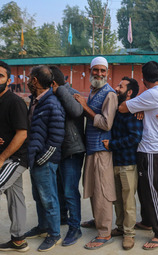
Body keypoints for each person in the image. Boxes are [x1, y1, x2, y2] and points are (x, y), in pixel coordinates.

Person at [119, 61, 158, 250]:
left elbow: (123, 107)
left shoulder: (152, 94)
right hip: (152, 148)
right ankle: (148, 221)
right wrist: (140, 108)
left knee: (151, 192)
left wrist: (136, 106)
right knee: (145, 191)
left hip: (150, 150)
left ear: (143, 78)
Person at [74, 56, 118, 249]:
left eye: (102, 71)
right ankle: (98, 220)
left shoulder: (109, 94)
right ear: (90, 71)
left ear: (107, 72)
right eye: (96, 70)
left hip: (102, 149)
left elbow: (106, 123)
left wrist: (85, 107)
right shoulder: (94, 91)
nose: (99, 74)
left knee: (102, 191)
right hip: (91, 148)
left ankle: (104, 232)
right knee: (92, 188)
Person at [24, 65, 65, 252]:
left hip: (45, 161)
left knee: (49, 199)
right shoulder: (36, 100)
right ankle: (43, 227)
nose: (27, 81)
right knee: (38, 196)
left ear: (35, 81)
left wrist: (42, 159)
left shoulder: (52, 103)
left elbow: (56, 138)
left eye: (29, 77)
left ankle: (54, 234)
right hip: (35, 159)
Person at [102, 77, 143, 250]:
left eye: (121, 86)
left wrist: (112, 145)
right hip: (115, 162)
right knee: (117, 199)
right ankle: (120, 227)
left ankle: (129, 234)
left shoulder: (133, 112)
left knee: (128, 201)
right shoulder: (118, 109)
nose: (117, 88)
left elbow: (135, 137)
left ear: (130, 92)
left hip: (127, 163)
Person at [50, 66, 85, 246]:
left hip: (73, 149)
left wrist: (60, 90)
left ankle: (75, 227)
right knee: (59, 188)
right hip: (58, 149)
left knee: (70, 191)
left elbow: (77, 112)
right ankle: (64, 217)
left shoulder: (71, 93)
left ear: (53, 83)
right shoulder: (52, 95)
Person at [0, 61, 29, 252]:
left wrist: (2, 158)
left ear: (8, 80)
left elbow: (22, 134)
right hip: (5, 157)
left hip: (15, 158)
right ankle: (19, 240)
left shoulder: (15, 102)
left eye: (0, 76)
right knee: (15, 196)